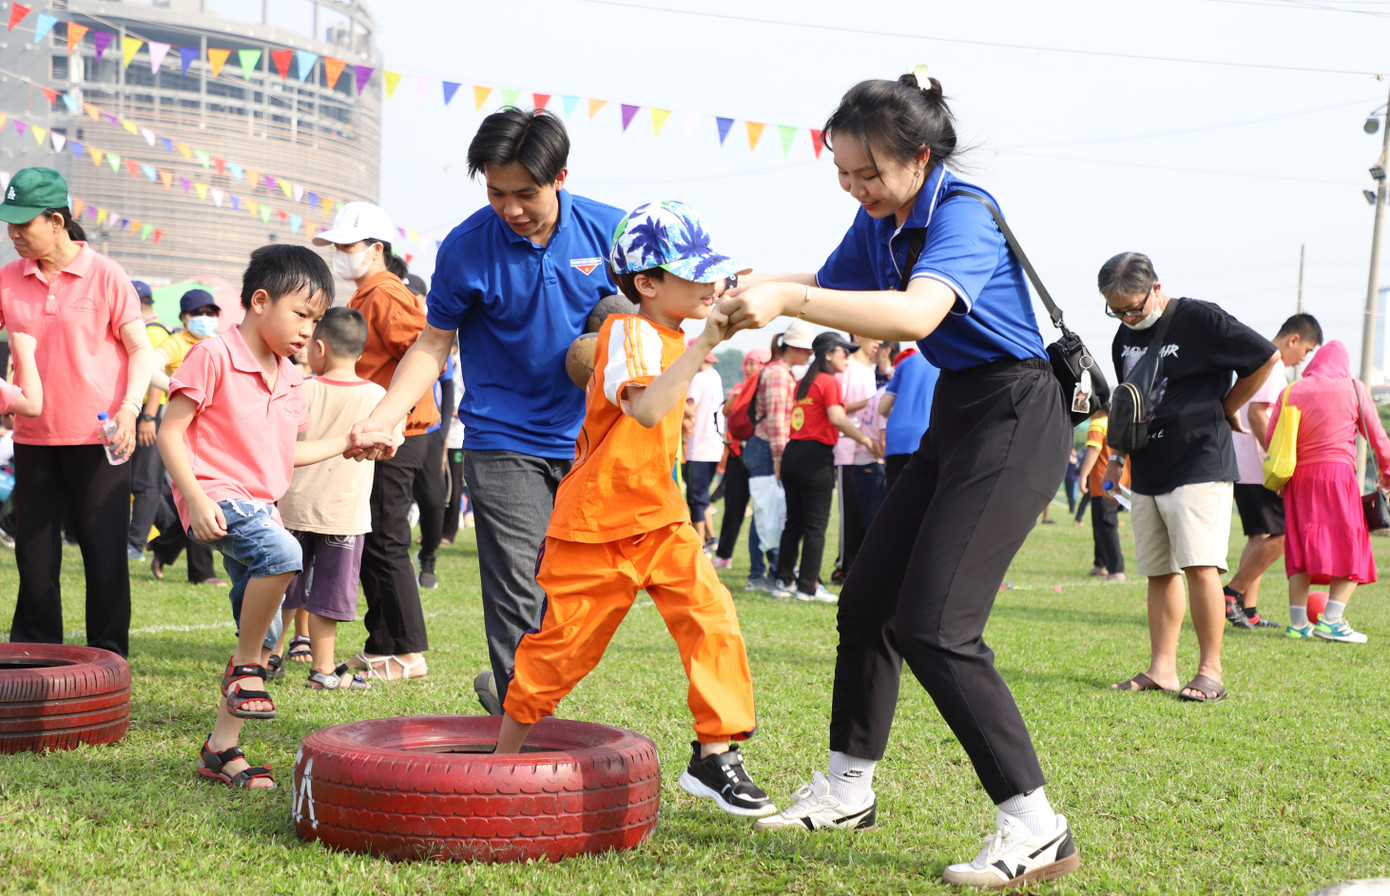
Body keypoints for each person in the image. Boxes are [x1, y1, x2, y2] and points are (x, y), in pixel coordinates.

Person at [717, 72, 1079, 889]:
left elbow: (915, 315)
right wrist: (749, 286)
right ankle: (848, 787)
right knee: (870, 599)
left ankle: (1036, 825)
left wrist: (789, 298)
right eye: (844, 174)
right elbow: (830, 283)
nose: (857, 188)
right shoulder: (879, 218)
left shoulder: (963, 213)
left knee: (936, 625)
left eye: (870, 174)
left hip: (1019, 408)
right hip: (961, 407)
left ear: (919, 158)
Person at [494, 200, 775, 818]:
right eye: (693, 273)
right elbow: (646, 409)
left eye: (711, 274)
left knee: (712, 621)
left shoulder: (677, 330)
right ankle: (498, 759)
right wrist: (706, 341)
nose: (709, 283)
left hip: (664, 519)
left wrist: (807, 287)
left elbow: (772, 282)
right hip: (597, 525)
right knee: (560, 656)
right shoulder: (628, 333)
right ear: (646, 284)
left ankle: (715, 754)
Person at [348, 108, 626, 714]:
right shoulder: (466, 248)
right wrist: (385, 414)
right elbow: (432, 343)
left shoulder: (613, 233)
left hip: (594, 440)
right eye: (497, 193)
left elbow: (659, 311)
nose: (512, 208)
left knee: (582, 592)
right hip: (503, 438)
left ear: (561, 176)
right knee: (517, 586)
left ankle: (513, 692)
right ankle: (518, 713)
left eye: (526, 193)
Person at [156, 244, 393, 789]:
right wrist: (195, 498)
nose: (309, 330)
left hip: (260, 507)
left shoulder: (289, 374)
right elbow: (171, 433)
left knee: (259, 630)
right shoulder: (212, 355)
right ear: (260, 301)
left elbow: (286, 455)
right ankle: (245, 668)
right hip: (217, 497)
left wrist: (348, 442)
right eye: (301, 315)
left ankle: (221, 748)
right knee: (285, 555)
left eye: (316, 320)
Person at [1099, 252, 1279, 702]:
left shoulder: (1199, 318)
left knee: (1201, 566)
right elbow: (1127, 404)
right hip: (1149, 463)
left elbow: (1265, 356)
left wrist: (1227, 406)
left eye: (1133, 308)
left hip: (1200, 458)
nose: (1125, 317)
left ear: (1156, 288)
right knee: (1159, 570)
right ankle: (1162, 669)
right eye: (1116, 310)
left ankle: (1210, 671)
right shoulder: (1124, 336)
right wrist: (1119, 459)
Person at [0, 167, 154, 659]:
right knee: (34, 556)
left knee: (104, 554)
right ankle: (32, 656)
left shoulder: (106, 275)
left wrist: (131, 410)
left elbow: (140, 351)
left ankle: (109, 658)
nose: (15, 234)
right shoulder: (7, 278)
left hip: (98, 439)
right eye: (10, 223)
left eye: (26, 223)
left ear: (57, 219)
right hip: (32, 438)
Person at [314, 201, 438, 682]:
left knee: (386, 540)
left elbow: (425, 353)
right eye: (338, 247)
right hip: (383, 433)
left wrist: (393, 417)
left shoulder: (384, 294)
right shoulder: (370, 293)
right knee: (376, 539)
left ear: (376, 249)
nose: (341, 254)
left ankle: (406, 653)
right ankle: (383, 643)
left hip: (396, 435)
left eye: (348, 246)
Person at [277, 307, 390, 691]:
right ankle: (323, 670)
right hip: (344, 515)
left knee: (280, 588)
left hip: (291, 509)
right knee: (328, 597)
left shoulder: (301, 388)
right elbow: (394, 440)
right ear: (361, 352)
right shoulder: (379, 397)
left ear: (318, 348)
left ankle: (267, 657)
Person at [1270, 340, 1390, 643]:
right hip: (1338, 475)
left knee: (1300, 545)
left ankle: (1298, 625)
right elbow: (1377, 436)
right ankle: (1332, 620)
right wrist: (1387, 475)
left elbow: (1273, 436)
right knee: (1353, 544)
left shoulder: (1292, 390)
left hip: (1297, 479)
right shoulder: (1353, 387)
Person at [1224, 314, 1321, 630]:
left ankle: (1246, 608)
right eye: (1306, 351)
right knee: (1282, 536)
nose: (1301, 360)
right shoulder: (1274, 363)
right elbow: (1256, 414)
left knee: (1260, 536)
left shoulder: (1258, 357)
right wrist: (1276, 460)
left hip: (1243, 463)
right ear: (1294, 339)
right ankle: (1231, 595)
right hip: (1257, 465)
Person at [771, 332, 881, 602]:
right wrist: (866, 440)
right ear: (829, 354)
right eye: (845, 352)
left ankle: (782, 581)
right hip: (815, 458)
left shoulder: (802, 383)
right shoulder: (829, 381)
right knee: (816, 526)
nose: (848, 357)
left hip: (792, 454)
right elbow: (837, 418)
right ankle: (807, 587)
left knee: (794, 523)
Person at [145, 289, 226, 587]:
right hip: (183, 427)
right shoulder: (177, 342)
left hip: (215, 429)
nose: (206, 319)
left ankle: (162, 548)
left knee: (197, 496)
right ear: (183, 318)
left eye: (211, 312)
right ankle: (203, 572)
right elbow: (149, 364)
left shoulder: (219, 343)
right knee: (199, 494)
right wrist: (179, 390)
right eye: (198, 313)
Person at [743, 322, 815, 592]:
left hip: (763, 447)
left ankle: (767, 570)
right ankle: (757, 573)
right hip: (766, 447)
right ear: (794, 348)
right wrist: (778, 456)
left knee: (766, 511)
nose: (809, 356)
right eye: (807, 351)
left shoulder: (779, 372)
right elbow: (775, 419)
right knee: (764, 512)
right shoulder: (778, 375)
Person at [402, 271, 451, 590]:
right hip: (398, 430)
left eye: (413, 296)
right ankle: (394, 563)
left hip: (430, 429)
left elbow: (446, 385)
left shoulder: (432, 332)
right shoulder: (396, 326)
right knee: (395, 503)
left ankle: (429, 556)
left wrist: (444, 431)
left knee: (433, 500)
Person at [713, 344, 772, 579]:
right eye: (747, 363)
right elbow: (726, 413)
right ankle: (724, 554)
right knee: (733, 508)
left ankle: (767, 563)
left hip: (760, 454)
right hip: (738, 456)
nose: (749, 367)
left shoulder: (767, 387)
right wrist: (735, 397)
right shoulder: (739, 387)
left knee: (764, 510)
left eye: (753, 363)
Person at [831, 333, 882, 584]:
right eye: (875, 336)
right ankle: (843, 567)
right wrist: (870, 402)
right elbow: (836, 409)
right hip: (846, 448)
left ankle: (859, 568)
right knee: (848, 515)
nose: (878, 343)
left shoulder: (869, 371)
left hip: (868, 453)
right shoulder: (846, 367)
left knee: (866, 514)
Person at [127, 279, 170, 562]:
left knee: (145, 481)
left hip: (149, 412)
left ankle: (134, 543)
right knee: (148, 480)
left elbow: (152, 373)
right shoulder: (148, 328)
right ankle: (173, 531)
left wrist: (149, 417)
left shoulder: (152, 332)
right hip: (145, 411)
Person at [1075, 382, 1127, 582]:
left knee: (1106, 525)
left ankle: (1116, 570)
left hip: (1102, 483)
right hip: (1120, 483)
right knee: (1101, 524)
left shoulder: (1098, 424)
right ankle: (1100, 564)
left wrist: (1082, 476)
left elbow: (1094, 450)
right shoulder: (1115, 422)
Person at [879, 346, 938, 487]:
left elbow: (883, 408)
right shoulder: (946, 362)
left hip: (896, 437)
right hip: (925, 437)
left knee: (895, 499)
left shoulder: (906, 362)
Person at [685, 349, 725, 549]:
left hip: (698, 446)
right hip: (714, 445)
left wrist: (673, 395)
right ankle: (710, 537)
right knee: (702, 496)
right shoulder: (715, 377)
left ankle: (699, 543)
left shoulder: (698, 379)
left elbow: (690, 410)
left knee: (695, 497)